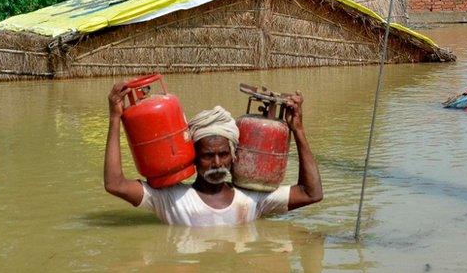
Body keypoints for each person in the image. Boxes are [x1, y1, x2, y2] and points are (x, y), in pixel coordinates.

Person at [103, 83, 323, 227]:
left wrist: (299, 131)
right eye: (208, 155)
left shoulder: (253, 198)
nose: (217, 163)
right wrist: (115, 118)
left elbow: (311, 194)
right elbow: (115, 184)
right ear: (194, 156)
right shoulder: (171, 199)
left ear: (234, 156)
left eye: (223, 154)